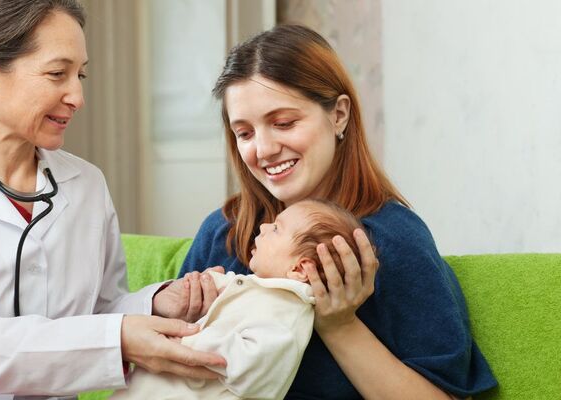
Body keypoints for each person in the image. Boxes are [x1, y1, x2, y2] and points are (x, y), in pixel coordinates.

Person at [0, 1, 225, 399]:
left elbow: (99, 311)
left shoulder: (86, 184)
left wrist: (153, 305)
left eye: (80, 75)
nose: (77, 97)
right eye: (57, 74)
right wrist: (117, 338)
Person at [179, 25, 498, 399]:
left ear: (339, 115)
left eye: (283, 123)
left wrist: (339, 325)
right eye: (245, 133)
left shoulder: (391, 240)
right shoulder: (224, 231)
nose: (263, 149)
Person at [111, 199, 368, 400]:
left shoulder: (286, 314)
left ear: (300, 269)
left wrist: (190, 339)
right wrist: (199, 288)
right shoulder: (256, 288)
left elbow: (249, 363)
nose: (264, 227)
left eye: (277, 229)